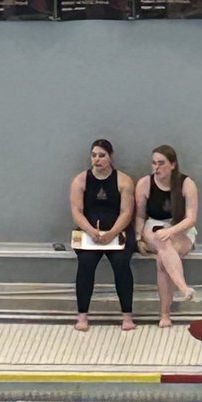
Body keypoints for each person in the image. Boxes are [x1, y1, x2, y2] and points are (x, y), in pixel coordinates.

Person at [69, 138, 136, 332]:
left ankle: (127, 316)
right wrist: (91, 231)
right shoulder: (80, 180)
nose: (97, 160)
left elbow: (126, 212)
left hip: (118, 230)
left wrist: (112, 233)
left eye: (101, 156)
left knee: (121, 263)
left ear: (110, 157)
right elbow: (76, 212)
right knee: (86, 263)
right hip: (90, 232)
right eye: (94, 155)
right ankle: (82, 316)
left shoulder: (123, 180)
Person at [135, 145, 199, 328]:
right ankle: (183, 287)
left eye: (161, 163)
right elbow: (140, 216)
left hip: (179, 228)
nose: (157, 167)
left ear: (172, 164)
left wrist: (171, 231)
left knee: (163, 260)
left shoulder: (187, 184)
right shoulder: (145, 184)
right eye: (154, 163)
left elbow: (191, 219)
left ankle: (165, 314)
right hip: (153, 225)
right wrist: (139, 238)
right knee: (160, 240)